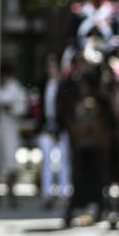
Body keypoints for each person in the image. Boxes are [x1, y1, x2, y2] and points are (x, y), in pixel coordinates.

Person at [38, 53, 71, 207]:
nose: (51, 69)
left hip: (62, 127)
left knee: (63, 161)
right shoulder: (43, 84)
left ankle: (64, 192)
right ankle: (47, 193)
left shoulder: (64, 84)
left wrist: (61, 126)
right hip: (47, 126)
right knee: (47, 161)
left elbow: (66, 109)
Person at [0, 63, 28, 206]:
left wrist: (10, 108)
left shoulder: (15, 88)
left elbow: (22, 108)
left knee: (10, 162)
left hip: (11, 129)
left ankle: (11, 192)